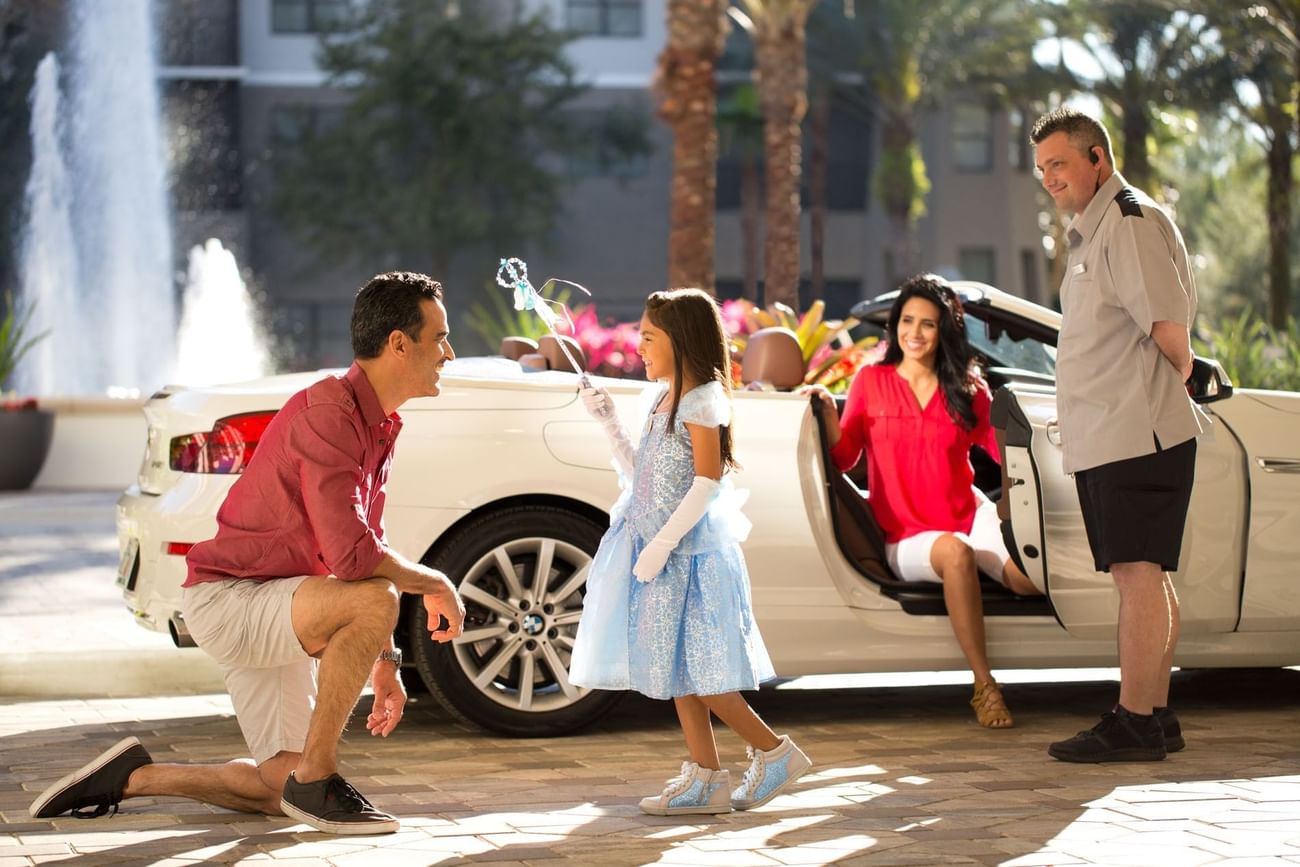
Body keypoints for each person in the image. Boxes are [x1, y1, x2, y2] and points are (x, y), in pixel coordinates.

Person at [29, 271, 468, 833]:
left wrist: (386, 662)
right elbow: (354, 561)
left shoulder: (377, 425)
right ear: (399, 344)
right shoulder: (329, 414)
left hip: (279, 602)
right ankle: (320, 778)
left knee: (277, 790)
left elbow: (364, 548)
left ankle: (134, 777)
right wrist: (435, 582)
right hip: (232, 598)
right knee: (377, 598)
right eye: (440, 338)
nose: (449, 354)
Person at [570, 288, 810, 815]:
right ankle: (707, 778)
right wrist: (608, 422)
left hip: (691, 560)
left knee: (705, 674)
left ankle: (775, 754)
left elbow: (706, 480)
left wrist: (661, 545)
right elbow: (643, 473)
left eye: (649, 337)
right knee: (678, 670)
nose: (639, 347)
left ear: (680, 341)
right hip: (663, 557)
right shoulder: (658, 399)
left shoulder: (702, 400)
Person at [1030, 108, 1206, 763]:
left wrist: (1157, 393)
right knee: (1146, 575)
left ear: (1097, 158)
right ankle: (1154, 715)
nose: (1049, 177)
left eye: (1059, 163)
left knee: (1137, 574)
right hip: (1115, 435)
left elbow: (1170, 336)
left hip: (1136, 434)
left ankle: (1134, 720)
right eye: (1042, 168)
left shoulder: (1128, 222)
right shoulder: (1096, 228)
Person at [811, 274, 1041, 729]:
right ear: (895, 325)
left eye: (928, 324)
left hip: (970, 514)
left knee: (1029, 578)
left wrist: (1027, 477)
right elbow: (845, 457)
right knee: (956, 554)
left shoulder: (968, 388)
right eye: (907, 321)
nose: (914, 332)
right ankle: (984, 686)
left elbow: (1005, 455)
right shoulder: (871, 382)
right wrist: (825, 411)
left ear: (944, 330)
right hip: (906, 534)